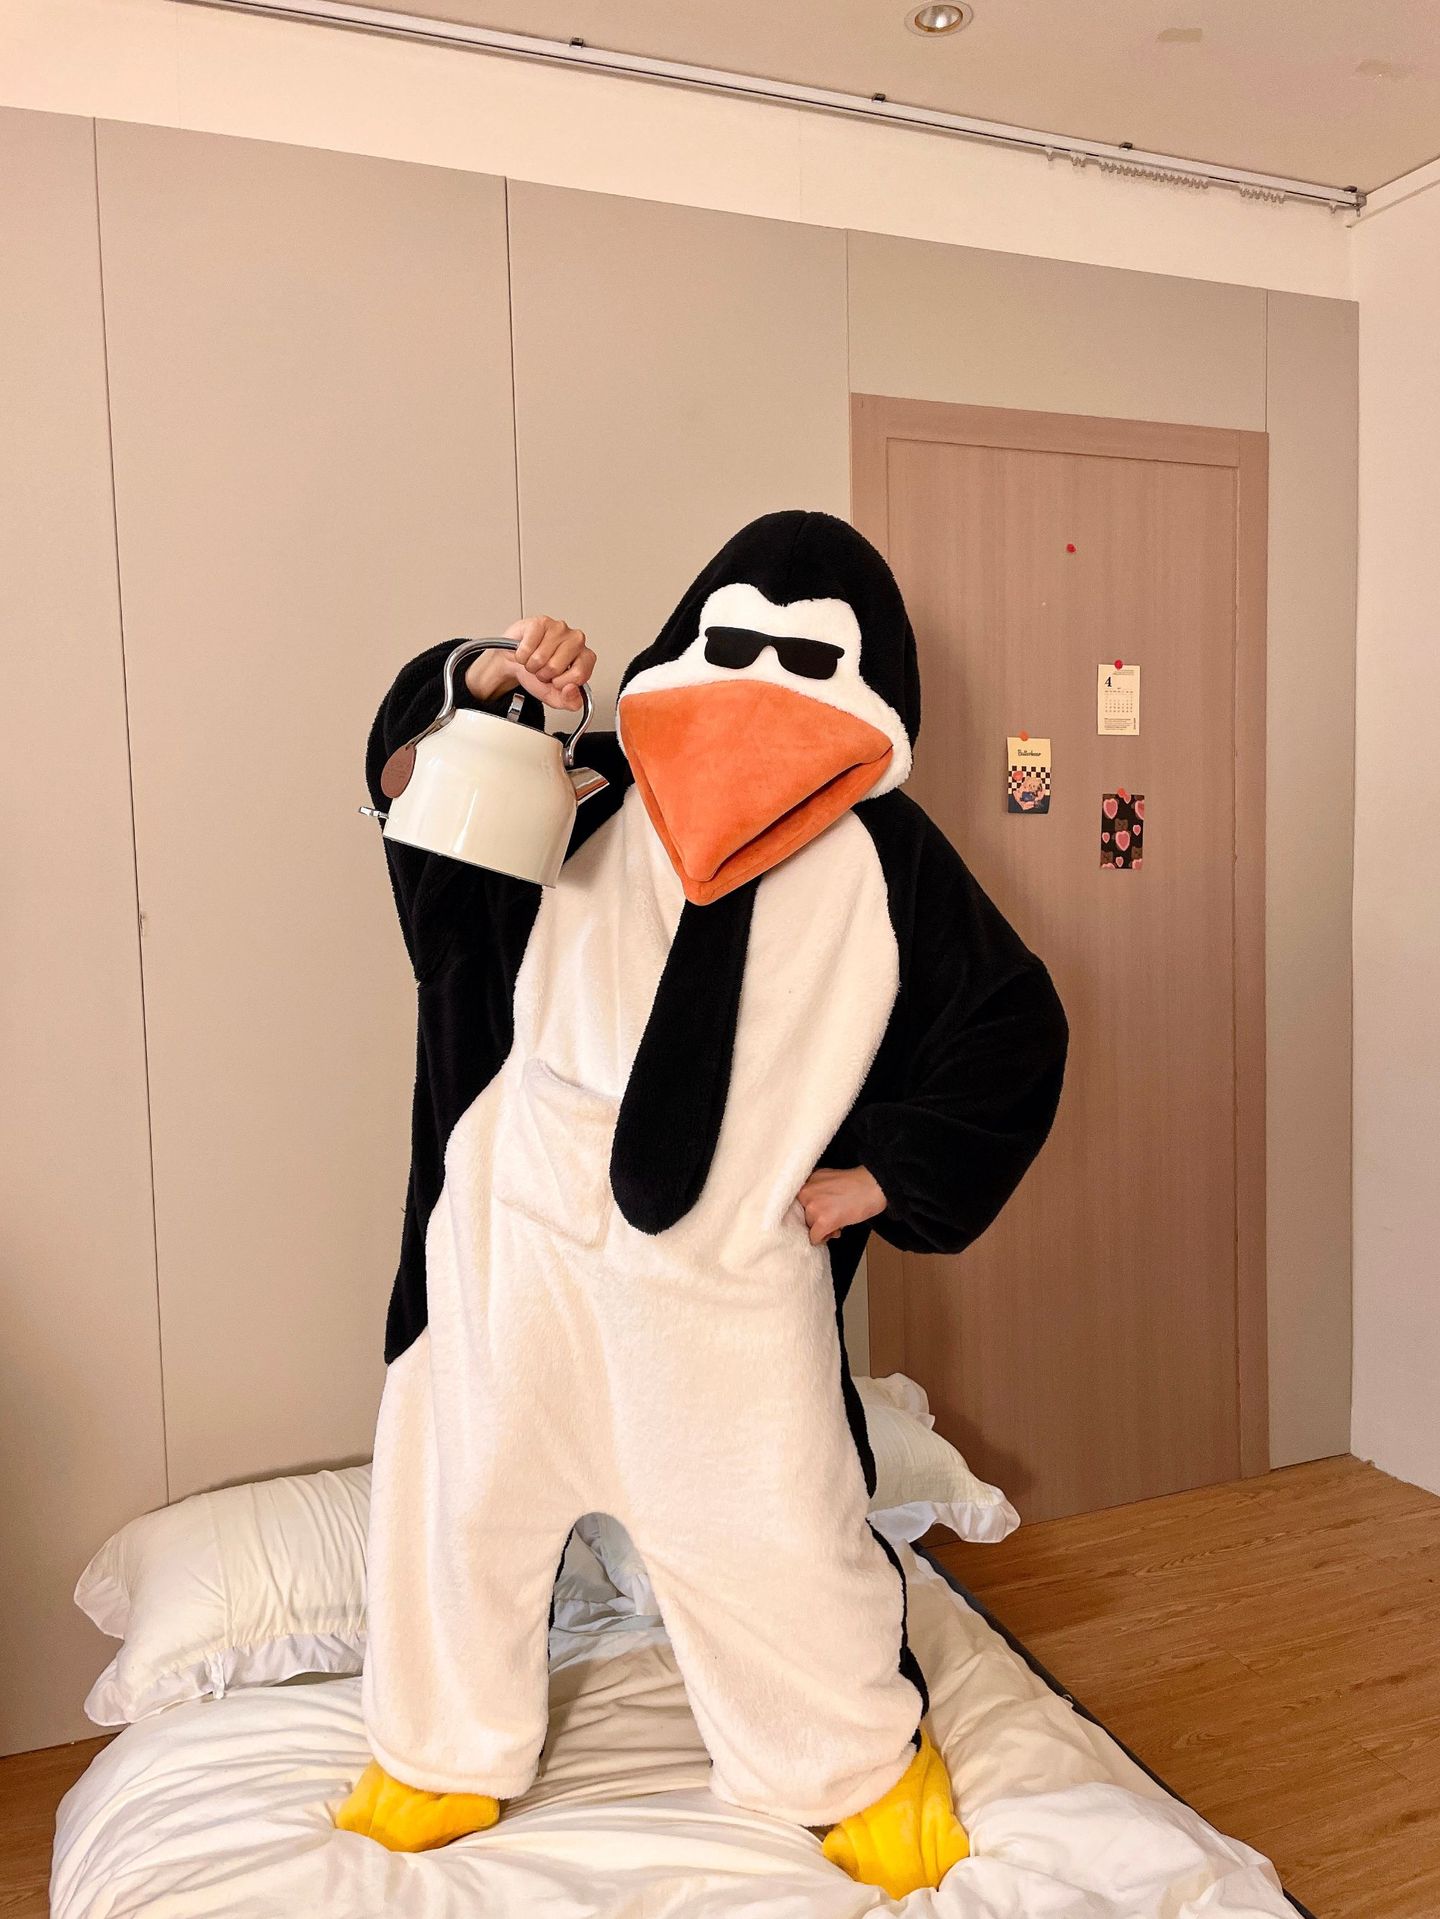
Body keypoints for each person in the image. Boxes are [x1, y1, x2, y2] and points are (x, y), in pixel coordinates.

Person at [338, 512, 1068, 1896]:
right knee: (460, 1508)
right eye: (729, 646)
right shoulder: (586, 785)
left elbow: (1012, 1029)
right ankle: (439, 1749)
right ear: (681, 642)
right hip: (517, 1251)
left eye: (809, 662)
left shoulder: (889, 855)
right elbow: (423, 823)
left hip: (723, 1280)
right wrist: (489, 689)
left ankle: (847, 1766)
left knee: (774, 1533)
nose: (758, 688)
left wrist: (888, 1177)